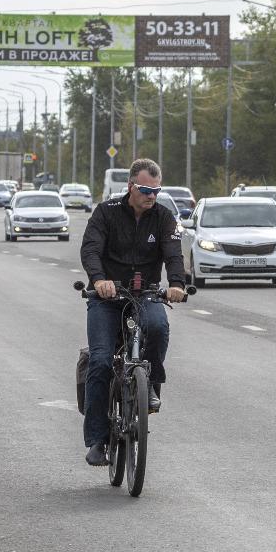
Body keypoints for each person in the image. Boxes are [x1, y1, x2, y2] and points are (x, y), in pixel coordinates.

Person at [79, 158, 187, 467]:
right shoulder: (105, 213)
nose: (151, 196)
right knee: (100, 361)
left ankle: (150, 387)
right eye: (144, 190)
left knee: (158, 327)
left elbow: (174, 253)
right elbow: (90, 249)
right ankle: (97, 441)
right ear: (130, 187)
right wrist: (99, 280)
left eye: (156, 190)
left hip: (146, 295)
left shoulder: (165, 218)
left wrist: (176, 284)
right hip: (107, 299)